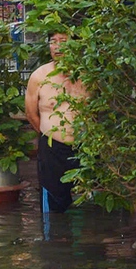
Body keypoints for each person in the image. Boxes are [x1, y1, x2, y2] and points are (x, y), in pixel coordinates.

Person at [25, 32, 88, 214]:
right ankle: (53, 239)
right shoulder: (39, 76)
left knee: (87, 203)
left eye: (63, 41)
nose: (57, 46)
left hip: (84, 148)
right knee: (53, 206)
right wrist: (48, 135)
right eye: (53, 42)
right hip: (52, 149)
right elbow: (31, 113)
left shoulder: (87, 76)